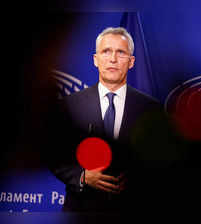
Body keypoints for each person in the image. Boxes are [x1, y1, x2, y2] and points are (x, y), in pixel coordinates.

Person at [48, 27, 161, 214]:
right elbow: (53, 154)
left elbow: (161, 162)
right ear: (96, 60)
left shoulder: (151, 109)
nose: (113, 59)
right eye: (106, 51)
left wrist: (139, 179)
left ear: (131, 62)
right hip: (81, 211)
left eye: (121, 52)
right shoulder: (70, 104)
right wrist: (82, 176)